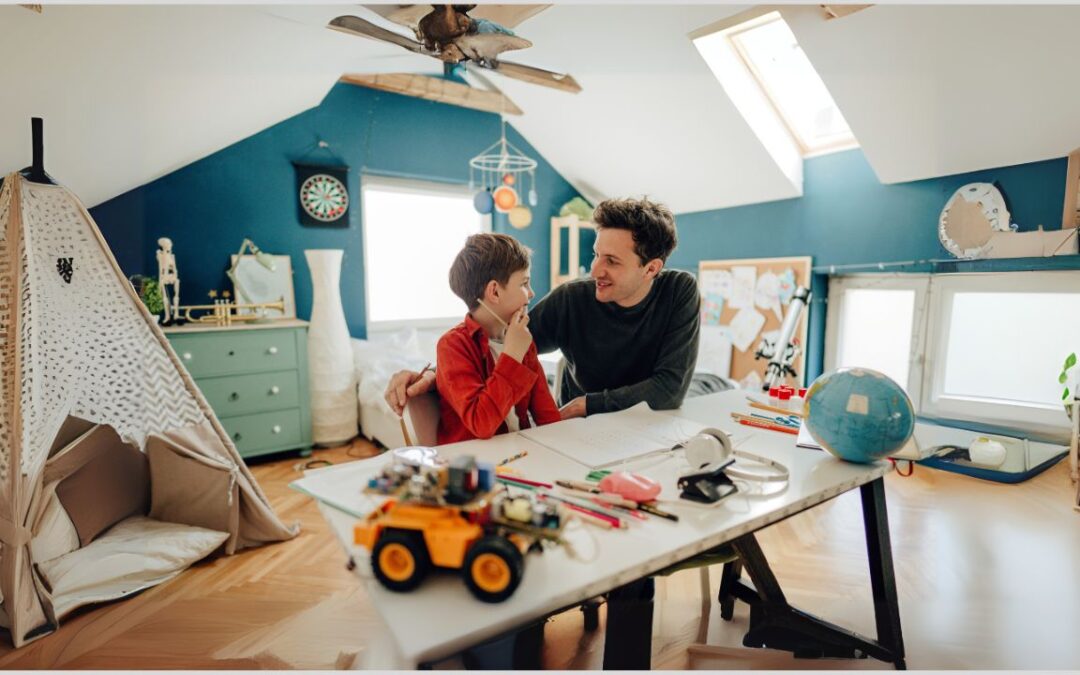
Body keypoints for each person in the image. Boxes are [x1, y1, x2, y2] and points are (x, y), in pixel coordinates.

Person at [386, 197, 700, 420]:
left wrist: (586, 404)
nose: (594, 270)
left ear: (651, 269)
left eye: (612, 261)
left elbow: (669, 389)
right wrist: (432, 378)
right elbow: (498, 346)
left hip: (641, 422)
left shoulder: (679, 291)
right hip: (582, 427)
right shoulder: (573, 299)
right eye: (596, 255)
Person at [435, 232, 561, 445]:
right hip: (475, 463)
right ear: (494, 292)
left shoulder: (522, 338)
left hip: (518, 454)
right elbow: (481, 423)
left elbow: (548, 416)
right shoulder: (453, 345)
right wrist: (512, 355)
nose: (531, 293)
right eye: (524, 283)